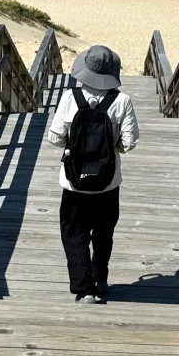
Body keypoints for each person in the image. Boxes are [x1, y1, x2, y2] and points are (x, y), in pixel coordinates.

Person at [47, 45, 139, 304]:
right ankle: (100, 278)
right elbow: (129, 143)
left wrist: (75, 145)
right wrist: (109, 147)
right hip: (108, 182)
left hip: (74, 182)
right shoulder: (122, 101)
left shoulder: (70, 97)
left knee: (74, 233)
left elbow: (54, 138)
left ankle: (85, 289)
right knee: (103, 232)